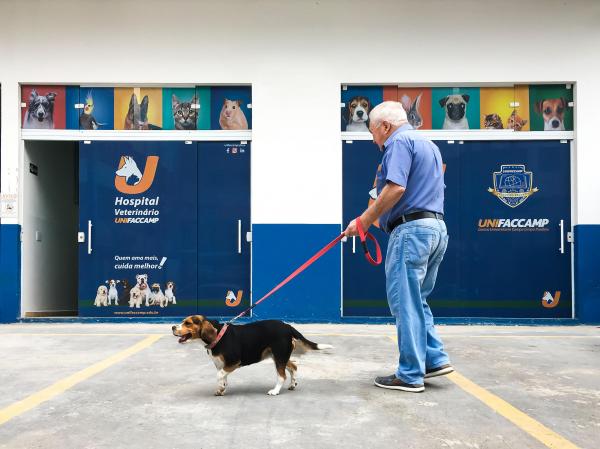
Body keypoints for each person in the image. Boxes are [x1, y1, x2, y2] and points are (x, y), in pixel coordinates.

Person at [344, 101, 453, 393]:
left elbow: (396, 188)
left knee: (405, 303)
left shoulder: (399, 142)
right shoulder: (428, 144)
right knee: (418, 300)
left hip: (412, 232)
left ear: (385, 126)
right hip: (436, 229)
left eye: (372, 131)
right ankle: (434, 359)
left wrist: (364, 222)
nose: (373, 139)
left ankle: (409, 374)